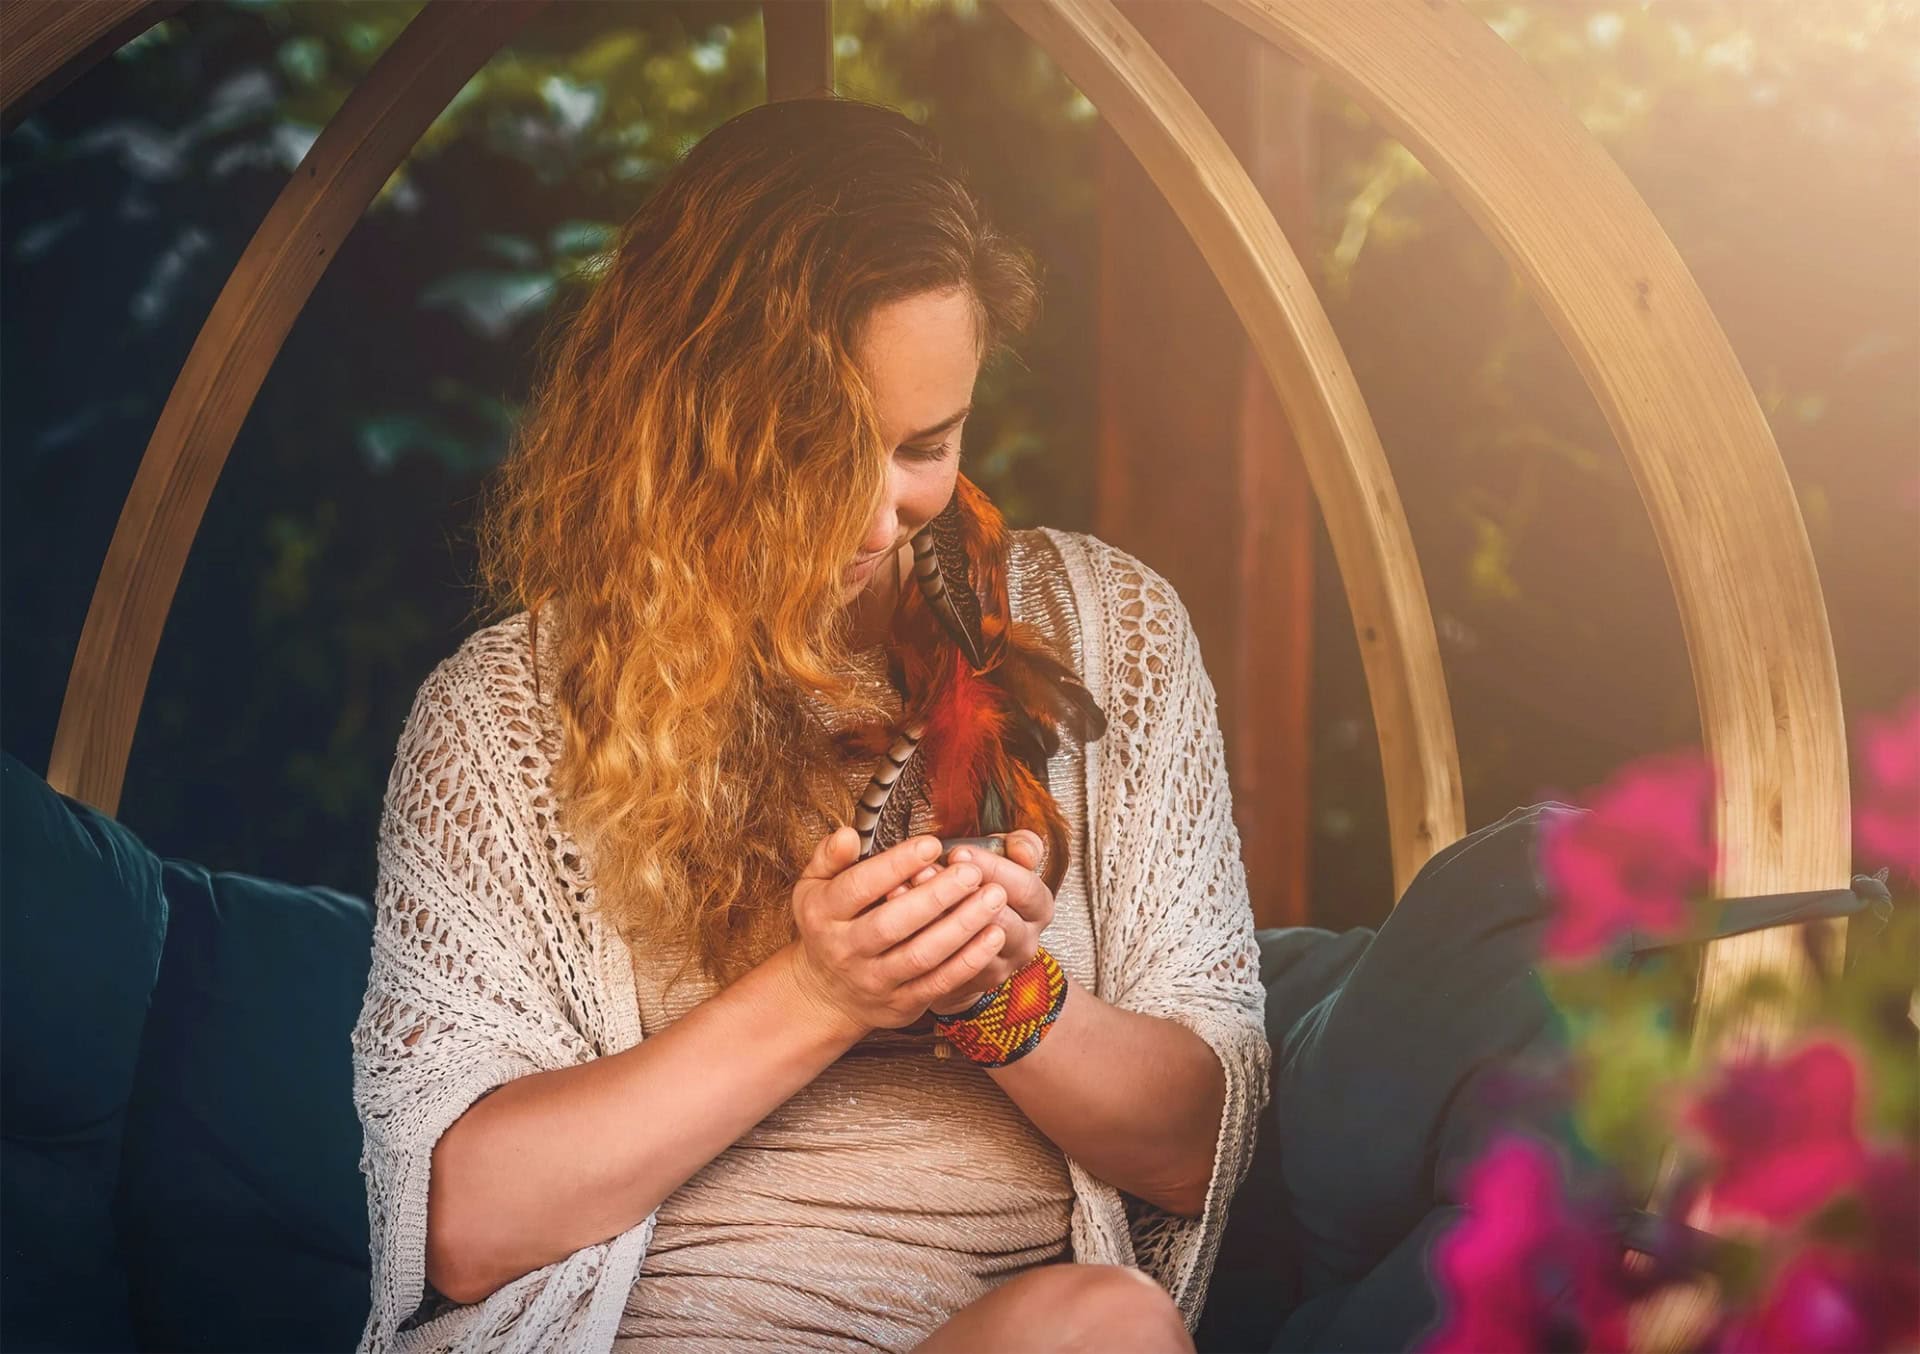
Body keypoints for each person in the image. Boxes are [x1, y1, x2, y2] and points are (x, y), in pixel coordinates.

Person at [350, 94, 1268, 1354]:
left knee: (1104, 1326)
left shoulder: (1116, 632)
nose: (882, 516)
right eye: (818, 450)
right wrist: (824, 991)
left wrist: (1009, 998)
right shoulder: (503, 711)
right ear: (686, 421)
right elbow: (463, 1223)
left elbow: (1196, 1154)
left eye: (923, 445)